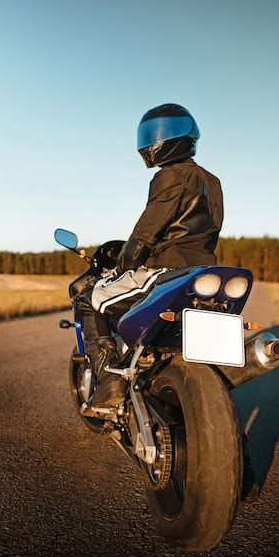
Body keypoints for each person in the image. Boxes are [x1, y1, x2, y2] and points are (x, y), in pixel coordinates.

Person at [76, 103, 224, 409]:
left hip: (167, 269)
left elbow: (148, 228)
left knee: (90, 299)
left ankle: (109, 381)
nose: (151, 142)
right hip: (203, 268)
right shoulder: (212, 181)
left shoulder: (170, 176)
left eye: (156, 135)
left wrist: (126, 260)